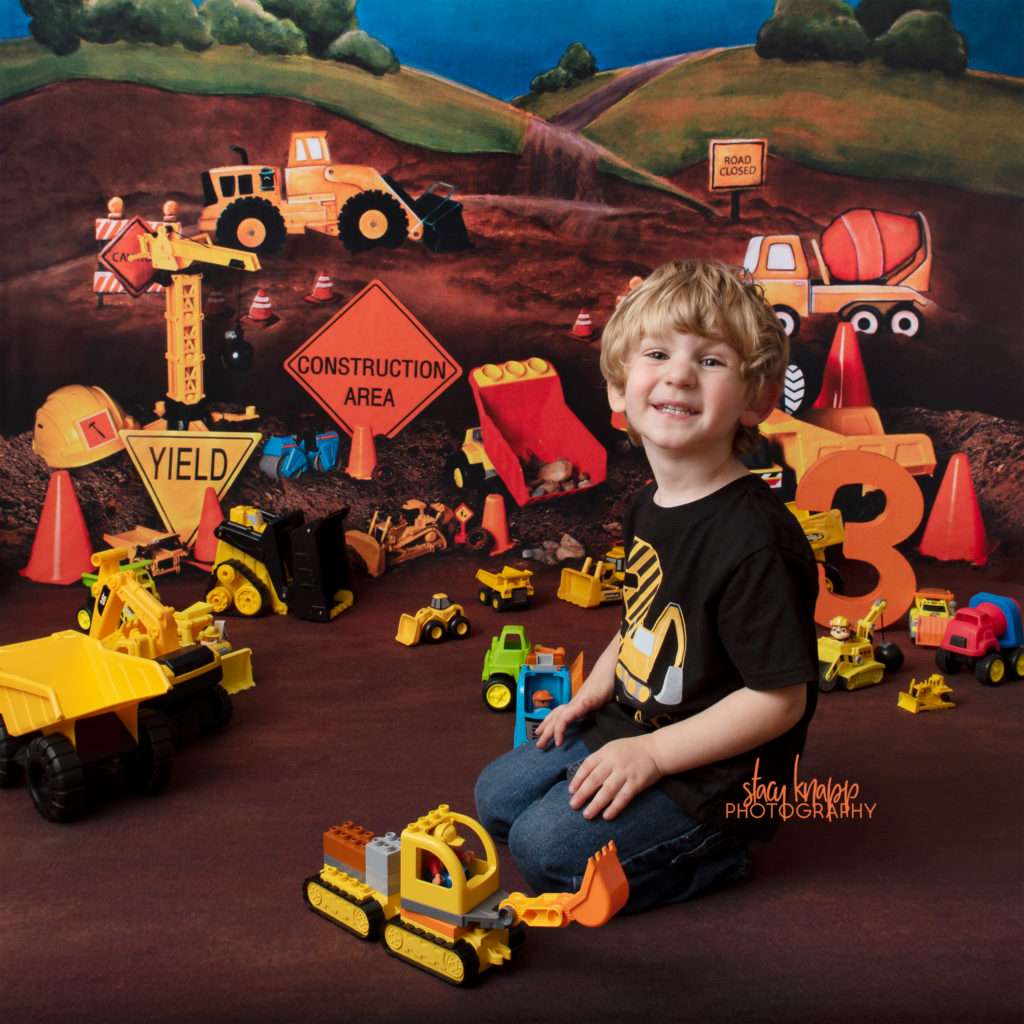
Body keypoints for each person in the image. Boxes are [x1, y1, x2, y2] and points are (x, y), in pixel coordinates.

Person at [475, 260, 819, 913]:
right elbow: (640, 620)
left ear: (755, 399)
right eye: (657, 353)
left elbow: (779, 701)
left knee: (545, 851)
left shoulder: (757, 542)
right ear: (617, 390)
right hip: (633, 723)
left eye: (712, 362)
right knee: (496, 797)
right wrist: (594, 692)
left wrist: (654, 756)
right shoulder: (647, 507)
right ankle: (613, 787)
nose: (681, 374)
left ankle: (721, 853)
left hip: (715, 777)